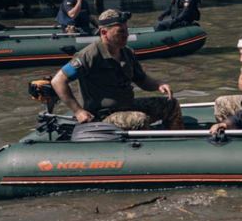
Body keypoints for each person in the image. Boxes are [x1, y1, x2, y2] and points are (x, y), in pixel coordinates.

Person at [51, 9, 185, 130]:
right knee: (139, 120)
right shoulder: (89, 55)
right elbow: (58, 81)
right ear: (104, 32)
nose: (126, 34)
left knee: (171, 105)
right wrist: (78, 111)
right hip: (103, 115)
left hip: (128, 107)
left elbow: (141, 79)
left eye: (126, 29)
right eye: (120, 31)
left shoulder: (127, 52)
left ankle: (178, 143)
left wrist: (158, 84)